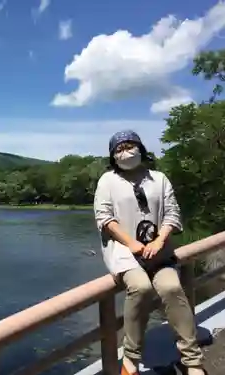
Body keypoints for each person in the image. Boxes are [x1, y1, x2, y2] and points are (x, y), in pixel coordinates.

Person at [93, 130, 207, 375]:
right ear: (113, 156)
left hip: (159, 252)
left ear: (141, 149)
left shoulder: (159, 178)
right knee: (141, 288)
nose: (125, 151)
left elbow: (172, 214)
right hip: (124, 253)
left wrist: (159, 240)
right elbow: (105, 218)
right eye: (119, 148)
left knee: (172, 288)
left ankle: (192, 360)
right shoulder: (107, 181)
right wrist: (131, 244)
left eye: (130, 145)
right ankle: (130, 358)